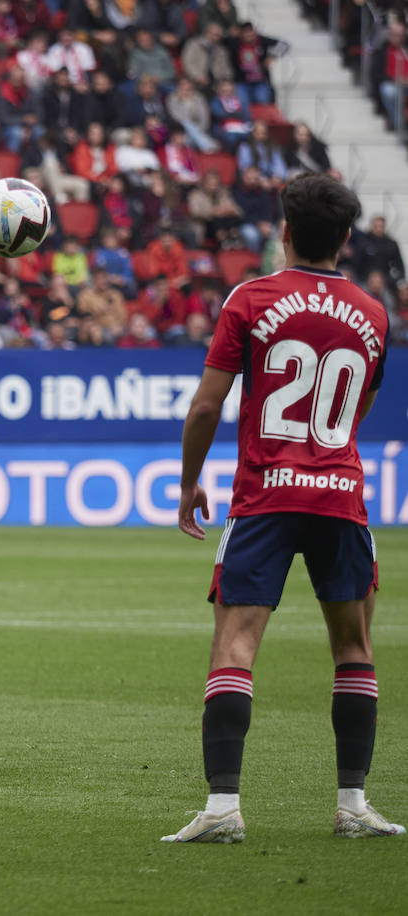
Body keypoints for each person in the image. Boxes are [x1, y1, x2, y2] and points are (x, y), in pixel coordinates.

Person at [167, 173, 399, 842]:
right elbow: (359, 412)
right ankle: (353, 806)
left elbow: (207, 404)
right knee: (353, 647)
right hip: (340, 495)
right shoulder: (375, 313)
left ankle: (221, 811)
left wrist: (189, 483)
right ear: (348, 238)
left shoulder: (252, 297)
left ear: (285, 232)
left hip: (266, 497)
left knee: (235, 647)